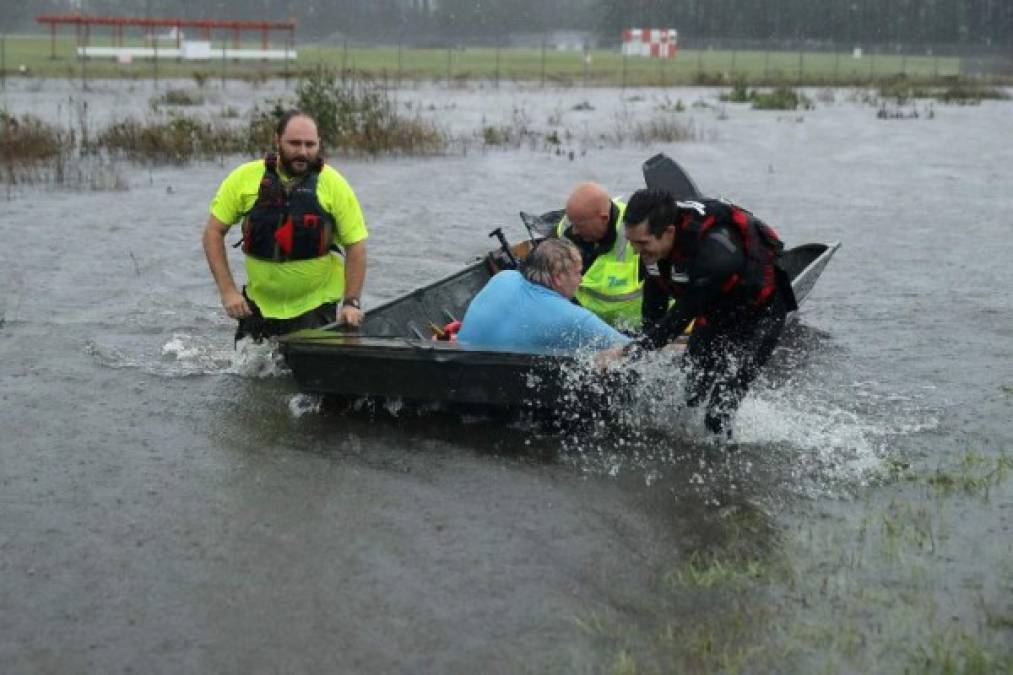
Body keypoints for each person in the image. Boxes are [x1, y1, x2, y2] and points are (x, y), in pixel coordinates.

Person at [619, 188, 796, 437]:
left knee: (718, 413)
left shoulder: (715, 253)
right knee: (691, 391)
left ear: (669, 232)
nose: (636, 251)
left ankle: (729, 468)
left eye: (642, 244)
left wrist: (629, 351)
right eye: (631, 242)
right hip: (715, 310)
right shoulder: (654, 244)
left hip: (760, 316)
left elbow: (681, 316)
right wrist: (641, 353)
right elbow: (654, 303)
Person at [202, 110, 368, 342]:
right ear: (277, 140)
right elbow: (213, 232)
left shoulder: (334, 185)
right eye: (294, 143)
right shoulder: (244, 179)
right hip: (257, 306)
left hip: (315, 306)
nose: (302, 151)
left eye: (310, 144)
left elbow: (356, 245)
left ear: (319, 144)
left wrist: (351, 302)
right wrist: (228, 291)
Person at [456, 238, 631, 352]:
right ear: (558, 277)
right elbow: (634, 350)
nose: (581, 279)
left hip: (456, 374)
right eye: (578, 272)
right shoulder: (575, 318)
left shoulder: (502, 277)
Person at [554, 182, 643, 329]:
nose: (574, 231)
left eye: (580, 226)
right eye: (573, 224)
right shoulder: (568, 227)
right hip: (582, 322)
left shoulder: (637, 236)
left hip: (635, 327)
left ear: (604, 218)